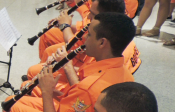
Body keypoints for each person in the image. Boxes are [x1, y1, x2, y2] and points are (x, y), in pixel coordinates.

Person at [8, 12, 136, 112]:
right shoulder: (125, 73)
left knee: (11, 105)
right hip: (73, 102)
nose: (84, 37)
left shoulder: (88, 89)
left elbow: (84, 94)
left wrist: (47, 92)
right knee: (26, 88)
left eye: (89, 35)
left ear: (102, 42)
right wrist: (54, 91)